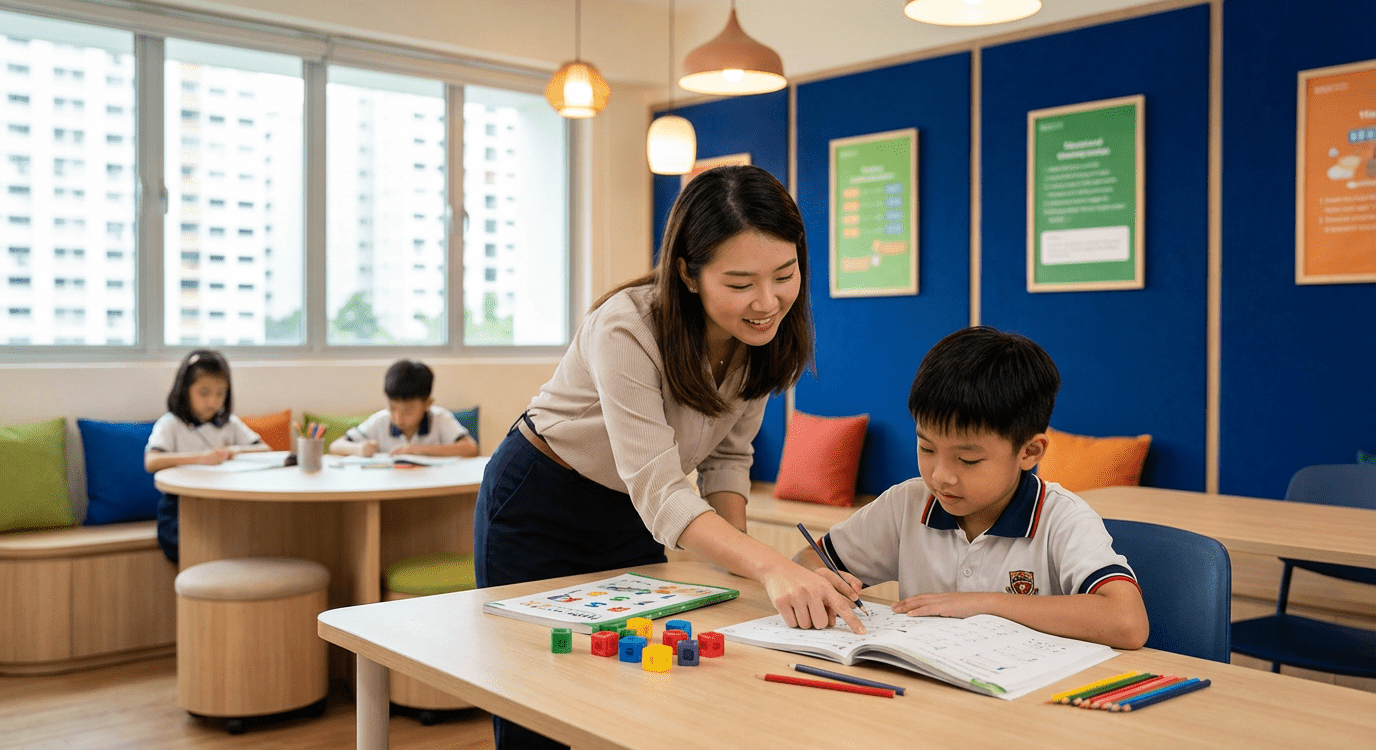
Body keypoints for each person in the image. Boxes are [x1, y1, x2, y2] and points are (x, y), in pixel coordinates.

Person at [474, 165, 864, 750]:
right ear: (687, 272)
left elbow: (727, 457)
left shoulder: (762, 337)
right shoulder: (626, 327)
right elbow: (660, 490)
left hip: (628, 513)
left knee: (636, 696)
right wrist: (771, 566)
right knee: (538, 706)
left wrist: (754, 568)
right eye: (740, 283)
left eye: (785, 275)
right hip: (539, 502)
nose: (767, 302)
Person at [795, 326, 1150, 649]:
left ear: (1029, 452)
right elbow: (808, 559)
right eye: (927, 449)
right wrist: (819, 580)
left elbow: (1128, 623)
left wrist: (983, 603)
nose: (941, 476)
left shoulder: (1061, 518)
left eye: (967, 460)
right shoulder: (906, 504)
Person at [145, 350, 266, 564]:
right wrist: (201, 457)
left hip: (224, 504)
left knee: (255, 535)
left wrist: (234, 451)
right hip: (180, 508)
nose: (213, 401)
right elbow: (151, 461)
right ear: (185, 390)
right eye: (204, 393)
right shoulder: (171, 423)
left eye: (220, 394)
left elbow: (264, 449)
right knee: (201, 548)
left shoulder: (229, 423)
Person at [329, 359, 479, 458]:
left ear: (428, 403)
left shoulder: (439, 418)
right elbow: (335, 446)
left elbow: (471, 448)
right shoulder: (381, 421)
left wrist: (419, 449)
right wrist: (360, 449)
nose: (398, 419)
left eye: (407, 411)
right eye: (392, 408)